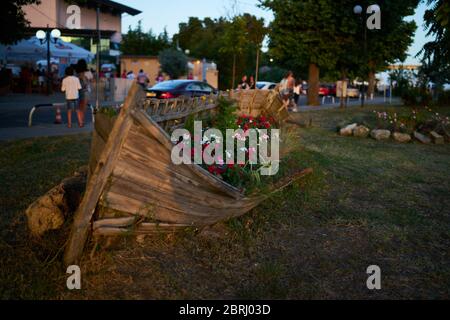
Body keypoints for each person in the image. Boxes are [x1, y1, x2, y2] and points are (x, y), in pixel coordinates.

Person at [75, 59, 93, 128]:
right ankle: (81, 122)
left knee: (79, 107)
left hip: (78, 92)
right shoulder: (88, 72)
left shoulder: (77, 73)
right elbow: (91, 80)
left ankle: (80, 121)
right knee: (83, 108)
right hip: (87, 91)